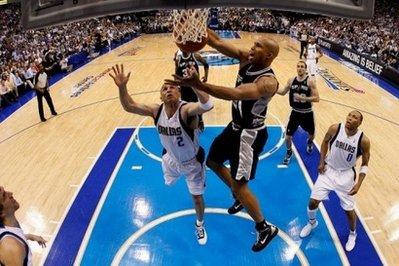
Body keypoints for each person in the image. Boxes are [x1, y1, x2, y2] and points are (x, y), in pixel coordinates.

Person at [166, 28, 280, 252]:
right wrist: (196, 23)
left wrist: (199, 85)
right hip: (234, 128)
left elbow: (236, 94)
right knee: (213, 162)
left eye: (258, 46)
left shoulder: (268, 82)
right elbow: (216, 41)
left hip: (249, 135)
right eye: (253, 44)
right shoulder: (245, 58)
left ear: (268, 56)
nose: (252, 48)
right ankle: (238, 196)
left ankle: (264, 227)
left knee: (240, 185)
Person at [109, 63, 213, 245]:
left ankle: (200, 224)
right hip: (170, 160)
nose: (169, 90)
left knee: (196, 197)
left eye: (173, 87)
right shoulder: (156, 111)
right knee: (169, 183)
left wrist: (195, 84)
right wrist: (122, 87)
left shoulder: (185, 109)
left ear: (180, 93)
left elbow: (208, 104)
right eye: (165, 88)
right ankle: (174, 176)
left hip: (192, 163)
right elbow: (129, 106)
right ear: (160, 95)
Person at [299, 110, 370, 252]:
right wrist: (321, 161)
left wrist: (359, 184)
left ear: (360, 122)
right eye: (349, 115)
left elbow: (365, 164)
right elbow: (325, 142)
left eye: (354, 117)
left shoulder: (363, 140)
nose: (350, 118)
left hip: (346, 176)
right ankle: (312, 223)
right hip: (328, 170)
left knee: (348, 210)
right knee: (313, 202)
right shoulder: (335, 128)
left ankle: (352, 234)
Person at [277, 60, 320, 165]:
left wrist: (302, 97)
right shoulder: (291, 80)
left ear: (305, 69)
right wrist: (272, 89)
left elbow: (317, 98)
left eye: (302, 67)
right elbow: (283, 92)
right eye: (298, 66)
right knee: (288, 137)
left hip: (307, 113)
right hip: (295, 112)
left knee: (311, 134)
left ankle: (309, 142)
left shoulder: (310, 81)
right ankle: (289, 151)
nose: (300, 68)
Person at [0, 186, 47, 266]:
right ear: (1, 214)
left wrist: (29, 236)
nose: (11, 193)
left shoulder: (7, 232)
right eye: (4, 196)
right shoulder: (12, 248)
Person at [174, 50, 209, 131]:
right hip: (184, 87)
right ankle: (186, 122)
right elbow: (176, 72)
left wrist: (206, 76)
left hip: (195, 86)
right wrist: (176, 84)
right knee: (184, 105)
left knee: (198, 104)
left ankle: (200, 120)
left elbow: (206, 64)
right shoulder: (178, 58)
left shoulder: (195, 56)